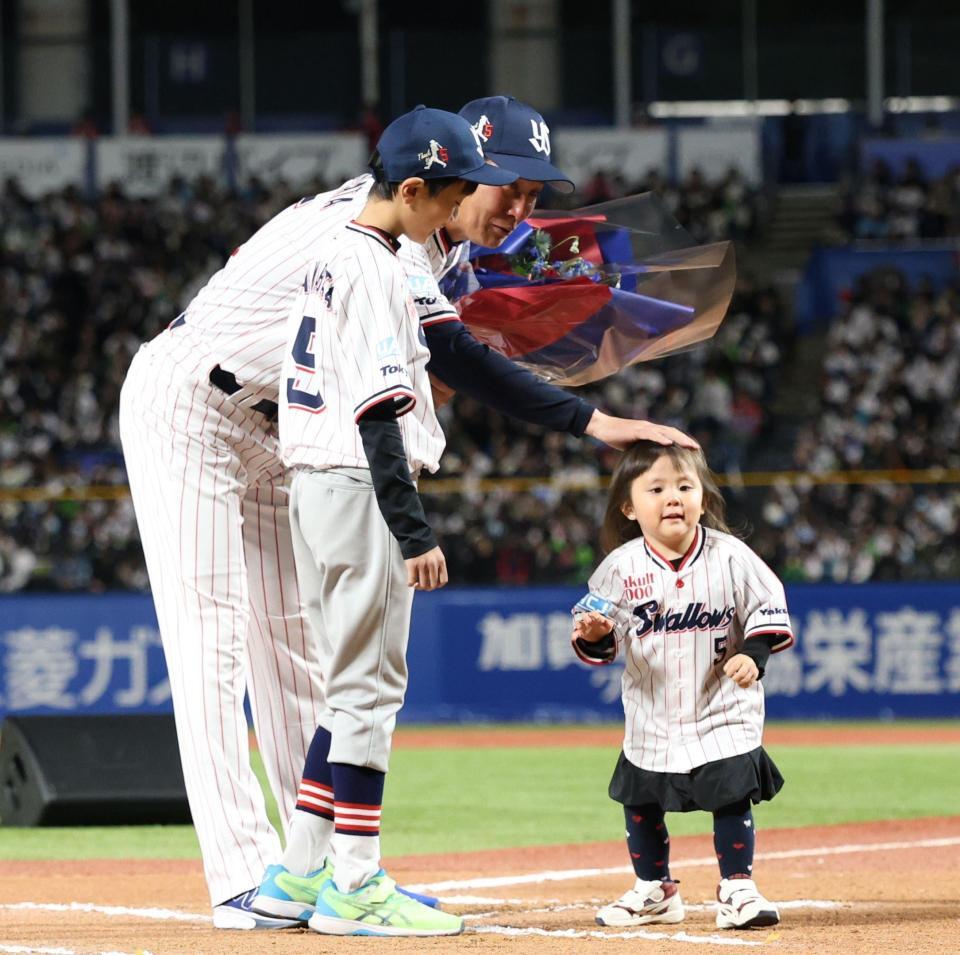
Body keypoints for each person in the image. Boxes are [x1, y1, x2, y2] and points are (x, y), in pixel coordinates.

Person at [119, 94, 696, 931]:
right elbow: (442, 358)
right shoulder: (375, 239)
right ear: (453, 174)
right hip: (194, 406)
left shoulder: (424, 242)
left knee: (303, 657)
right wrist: (585, 422)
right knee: (213, 645)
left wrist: (581, 413)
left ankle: (311, 871)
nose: (522, 208)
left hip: (293, 435)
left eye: (535, 193)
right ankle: (243, 874)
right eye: (507, 187)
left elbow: (444, 349)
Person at [252, 106, 510, 937]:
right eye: (451, 196)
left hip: (314, 486)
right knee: (368, 692)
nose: (456, 210)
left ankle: (297, 873)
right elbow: (378, 411)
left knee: (346, 687)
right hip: (359, 485)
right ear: (410, 189)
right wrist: (413, 528)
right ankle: (356, 881)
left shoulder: (333, 253)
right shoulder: (376, 266)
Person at [570, 440, 793, 931]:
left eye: (685, 486)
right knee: (640, 799)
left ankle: (738, 886)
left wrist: (754, 655)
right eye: (656, 489)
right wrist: (596, 634)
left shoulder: (730, 556)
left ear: (703, 498)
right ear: (629, 507)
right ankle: (655, 889)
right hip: (652, 710)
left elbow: (768, 607)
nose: (673, 497)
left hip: (721, 704)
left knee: (730, 790)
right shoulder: (619, 568)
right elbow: (598, 639)